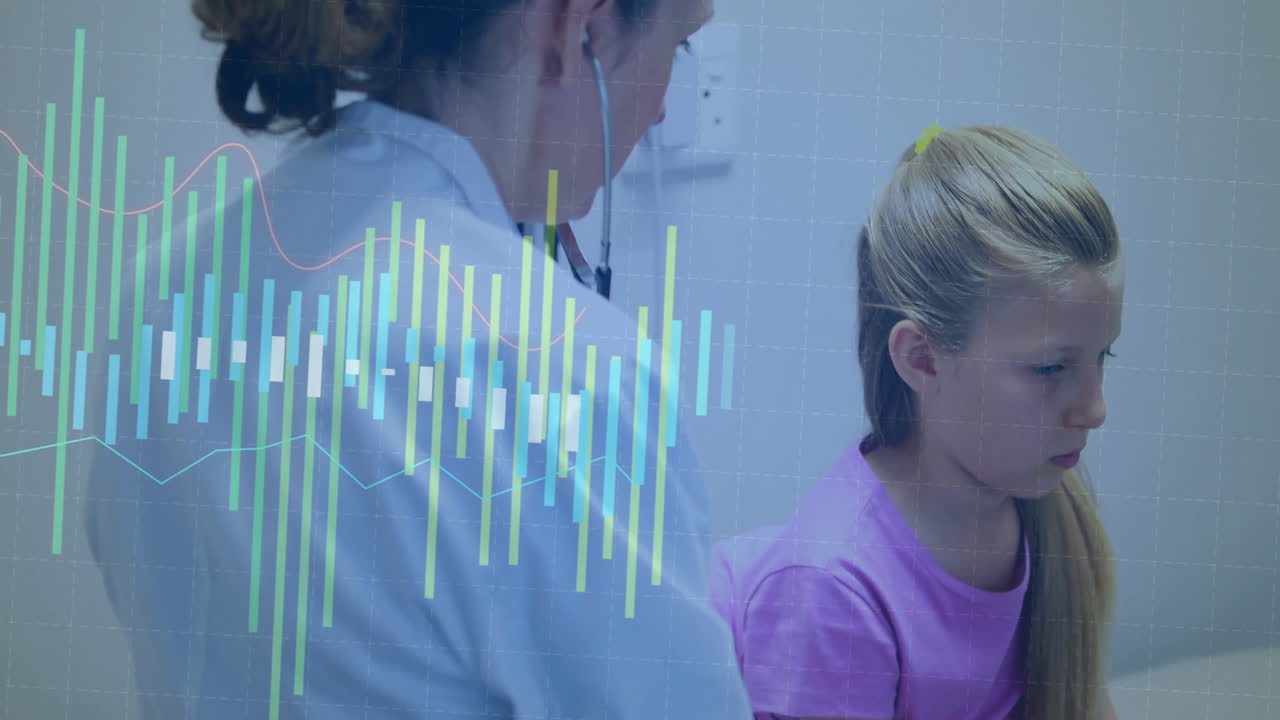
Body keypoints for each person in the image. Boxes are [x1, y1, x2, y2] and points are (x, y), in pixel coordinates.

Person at [80, 0, 754, 717]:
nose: (658, 113)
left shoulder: (160, 296)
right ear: (578, 27)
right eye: (678, 47)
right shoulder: (562, 371)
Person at [708, 125, 1124, 720]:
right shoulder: (830, 589)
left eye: (1102, 357)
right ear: (922, 359)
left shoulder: (1040, 507)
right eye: (1051, 368)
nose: (1095, 410)